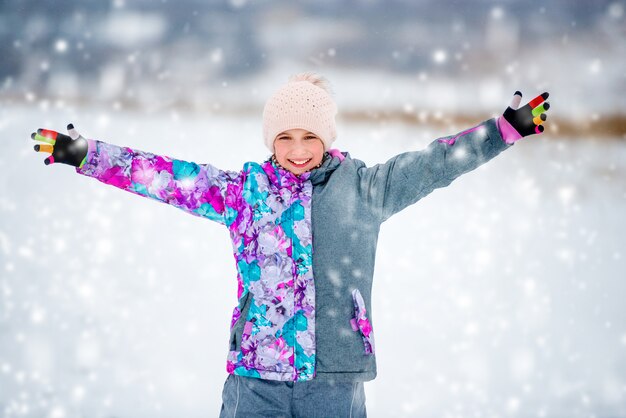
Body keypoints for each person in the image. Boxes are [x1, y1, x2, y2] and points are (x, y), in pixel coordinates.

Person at [31, 72, 550, 417]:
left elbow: (436, 163)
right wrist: (87, 154)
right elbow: (163, 176)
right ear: (269, 141)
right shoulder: (243, 194)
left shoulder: (366, 189)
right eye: (285, 138)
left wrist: (504, 130)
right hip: (255, 380)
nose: (298, 151)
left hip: (334, 381)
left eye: (309, 137)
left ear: (326, 137)